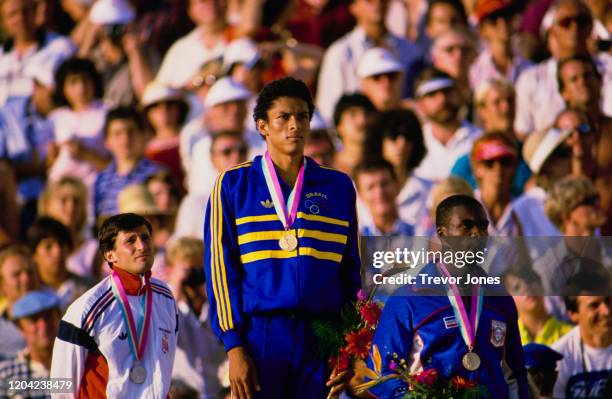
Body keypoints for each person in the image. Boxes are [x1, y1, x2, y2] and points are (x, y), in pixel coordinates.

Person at [204, 77, 361, 398]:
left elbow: (351, 272)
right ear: (262, 126)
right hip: (261, 334)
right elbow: (221, 271)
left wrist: (348, 347)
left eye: (302, 116)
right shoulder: (233, 184)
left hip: (321, 335)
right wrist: (233, 346)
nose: (295, 125)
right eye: (283, 117)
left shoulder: (338, 187)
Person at [365, 194, 529, 398]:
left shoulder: (500, 299)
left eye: (483, 226)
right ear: (442, 234)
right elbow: (379, 375)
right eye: (466, 226)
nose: (477, 233)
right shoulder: (408, 300)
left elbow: (515, 374)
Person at [50, 213, 178, 398]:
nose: (141, 246)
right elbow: (61, 386)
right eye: (130, 241)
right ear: (110, 255)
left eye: (145, 237)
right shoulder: (86, 309)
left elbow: (164, 368)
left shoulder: (166, 297)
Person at [514, 0, 612, 138]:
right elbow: (524, 135)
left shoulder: (609, 67)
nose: (575, 27)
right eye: (566, 22)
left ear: (591, 27)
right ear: (552, 31)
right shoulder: (531, 80)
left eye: (581, 21)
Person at [315, 0, 424, 124]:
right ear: (353, 7)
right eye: (369, 1)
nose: (377, 4)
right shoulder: (339, 53)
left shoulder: (411, 50)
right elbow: (329, 112)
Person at [166, 237, 225, 399]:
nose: (194, 276)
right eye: (189, 270)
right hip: (181, 393)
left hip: (215, 392)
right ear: (170, 270)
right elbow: (161, 327)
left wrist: (212, 292)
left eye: (200, 269)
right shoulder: (168, 307)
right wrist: (176, 284)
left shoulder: (216, 307)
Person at [46, 57, 110, 196]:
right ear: (63, 88)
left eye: (85, 80)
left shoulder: (107, 113)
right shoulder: (56, 117)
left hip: (95, 189)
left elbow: (117, 164)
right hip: (59, 189)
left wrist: (85, 154)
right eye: (73, 82)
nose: (81, 88)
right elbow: (48, 163)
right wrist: (51, 155)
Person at [365, 109, 430, 234]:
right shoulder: (358, 189)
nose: (402, 143)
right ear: (379, 141)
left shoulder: (429, 189)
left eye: (407, 136)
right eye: (393, 136)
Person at [174, 130, 248, 240]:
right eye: (227, 152)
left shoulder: (262, 197)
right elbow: (184, 250)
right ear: (213, 159)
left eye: (241, 151)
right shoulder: (195, 203)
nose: (236, 156)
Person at [413, 68, 482, 182]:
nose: (442, 99)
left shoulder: (480, 139)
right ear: (420, 104)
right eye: (432, 94)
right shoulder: (413, 145)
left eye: (447, 91)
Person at [0, 0, 74, 105]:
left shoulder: (62, 47)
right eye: (13, 14)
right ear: (4, 22)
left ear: (35, 12)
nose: (20, 18)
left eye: (25, 11)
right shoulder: (1, 56)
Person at [93, 106, 161, 221]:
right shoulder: (100, 181)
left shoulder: (158, 174)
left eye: (131, 131)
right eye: (118, 133)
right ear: (107, 141)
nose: (125, 139)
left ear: (143, 135)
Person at [552, 271, 612, 398]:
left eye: (608, 300)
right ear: (573, 315)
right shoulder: (558, 358)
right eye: (594, 305)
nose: (606, 311)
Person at [0, 289, 61, 398]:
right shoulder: (5, 374)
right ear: (20, 327)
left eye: (48, 317)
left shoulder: (77, 366)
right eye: (34, 320)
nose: (43, 326)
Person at [26, 216, 92, 311]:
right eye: (48, 246)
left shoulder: (90, 290)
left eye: (61, 244)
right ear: (34, 254)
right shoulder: (27, 293)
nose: (57, 252)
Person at [469, 0, 532, 89]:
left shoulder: (530, 68)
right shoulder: (475, 72)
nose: (502, 23)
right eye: (493, 19)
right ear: (482, 30)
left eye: (506, 15)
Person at [502, 266, 572, 346]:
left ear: (541, 284)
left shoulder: (569, 336)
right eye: (516, 288)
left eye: (530, 281)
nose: (526, 288)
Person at [142, 82, 190, 192]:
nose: (164, 110)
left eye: (169, 104)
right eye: (156, 106)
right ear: (148, 113)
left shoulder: (192, 138)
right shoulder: (143, 149)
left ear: (179, 109)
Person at [354, 158, 414, 237]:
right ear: (359, 195)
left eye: (384, 184)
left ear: (397, 185)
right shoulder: (354, 242)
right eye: (370, 187)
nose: (379, 193)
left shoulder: (420, 232)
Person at [0, 245, 39, 359]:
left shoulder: (58, 320)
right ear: (1, 286)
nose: (26, 279)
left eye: (30, 272)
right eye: (16, 274)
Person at [331, 93, 377, 175]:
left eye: (366, 114)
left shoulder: (385, 163)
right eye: (353, 114)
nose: (362, 120)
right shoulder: (325, 166)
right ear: (339, 127)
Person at [356, 47, 405, 113]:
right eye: (377, 77)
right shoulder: (357, 121)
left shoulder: (410, 118)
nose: (386, 82)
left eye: (391, 75)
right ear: (364, 83)